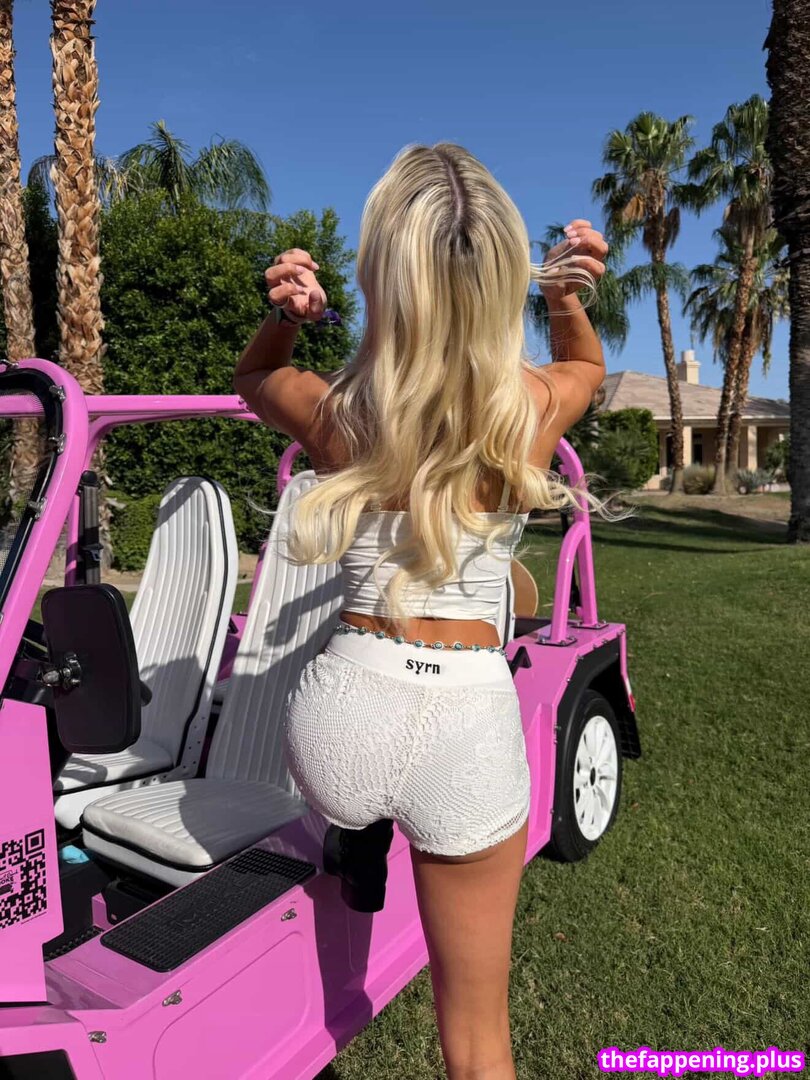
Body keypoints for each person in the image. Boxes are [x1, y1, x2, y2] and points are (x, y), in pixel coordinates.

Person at [233, 142, 607, 1080]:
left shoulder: (341, 410)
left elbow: (254, 382)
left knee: (364, 786)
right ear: (499, 277)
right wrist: (564, 300)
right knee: (478, 1042)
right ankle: (385, 824)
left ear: (380, 275)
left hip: (341, 718)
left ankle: (362, 830)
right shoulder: (529, 406)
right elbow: (587, 367)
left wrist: (285, 320)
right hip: (465, 721)